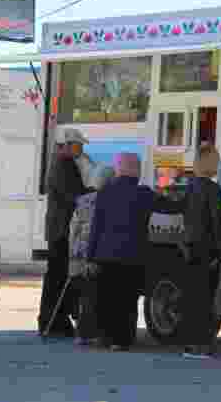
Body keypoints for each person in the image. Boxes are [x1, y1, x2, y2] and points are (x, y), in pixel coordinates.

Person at [87, 152, 158, 351]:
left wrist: (90, 257)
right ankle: (121, 340)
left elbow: (96, 227)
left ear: (118, 170)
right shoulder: (144, 194)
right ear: (137, 171)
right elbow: (171, 206)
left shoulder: (105, 193)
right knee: (127, 300)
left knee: (107, 298)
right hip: (132, 256)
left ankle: (105, 337)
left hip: (105, 255)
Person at [179, 142, 221, 359]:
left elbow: (181, 211)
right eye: (217, 161)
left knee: (192, 297)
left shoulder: (190, 187)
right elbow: (217, 224)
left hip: (190, 248)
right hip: (207, 250)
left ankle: (189, 345)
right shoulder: (213, 189)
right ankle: (202, 344)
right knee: (206, 299)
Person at [38, 127, 90, 338]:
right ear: (68, 145)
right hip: (61, 230)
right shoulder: (64, 165)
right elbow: (74, 195)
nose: (81, 149)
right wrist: (94, 193)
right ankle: (52, 321)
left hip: (57, 229)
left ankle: (55, 320)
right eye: (79, 145)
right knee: (57, 277)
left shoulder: (61, 162)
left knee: (56, 277)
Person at [69, 164, 115, 347]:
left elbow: (73, 229)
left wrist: (72, 255)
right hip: (96, 254)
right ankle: (94, 332)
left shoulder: (82, 201)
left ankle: (83, 333)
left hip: (79, 254)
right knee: (97, 295)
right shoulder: (110, 201)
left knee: (86, 295)